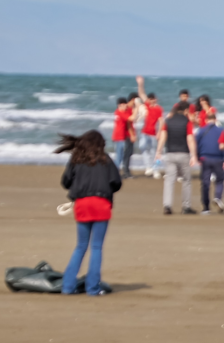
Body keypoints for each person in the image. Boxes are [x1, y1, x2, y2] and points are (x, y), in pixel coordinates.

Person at [56, 131, 121, 296]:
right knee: (96, 246)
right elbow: (116, 182)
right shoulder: (105, 159)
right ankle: (93, 288)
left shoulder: (76, 159)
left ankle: (67, 287)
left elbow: (65, 182)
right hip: (101, 204)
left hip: (82, 204)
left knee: (80, 246)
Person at [154, 102, 198, 215]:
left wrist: (158, 152)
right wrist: (193, 155)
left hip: (170, 153)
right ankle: (186, 207)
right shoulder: (187, 122)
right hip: (183, 154)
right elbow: (190, 139)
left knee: (169, 180)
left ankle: (167, 206)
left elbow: (163, 137)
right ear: (186, 110)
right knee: (186, 180)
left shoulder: (168, 121)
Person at [194, 112, 224, 215]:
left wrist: (198, 157)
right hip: (218, 158)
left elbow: (196, 144)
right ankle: (217, 197)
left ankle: (206, 207)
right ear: (216, 120)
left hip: (205, 158)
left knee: (205, 183)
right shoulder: (221, 131)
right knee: (220, 180)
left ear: (207, 120)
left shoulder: (202, 130)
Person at [136, 78, 163, 177]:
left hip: (153, 133)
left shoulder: (158, 109)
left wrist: (160, 132)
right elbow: (141, 93)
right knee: (142, 147)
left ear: (155, 99)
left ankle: (155, 170)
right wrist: (140, 83)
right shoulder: (147, 105)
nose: (151, 100)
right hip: (144, 132)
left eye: (152, 99)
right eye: (150, 99)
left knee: (154, 152)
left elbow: (161, 121)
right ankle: (148, 167)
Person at [111, 96, 137, 179]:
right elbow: (131, 118)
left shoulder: (120, 112)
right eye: (125, 104)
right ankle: (114, 174)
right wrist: (136, 109)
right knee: (119, 156)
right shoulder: (119, 112)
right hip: (119, 137)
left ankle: (115, 173)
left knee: (120, 155)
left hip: (121, 137)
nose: (126, 106)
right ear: (120, 105)